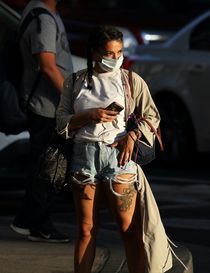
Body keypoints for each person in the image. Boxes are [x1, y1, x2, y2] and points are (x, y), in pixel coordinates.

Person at [56, 26, 176, 273]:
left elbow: (152, 116)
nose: (116, 58)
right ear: (95, 52)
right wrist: (89, 115)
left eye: (119, 52)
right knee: (86, 229)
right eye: (109, 53)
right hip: (83, 159)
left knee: (128, 229)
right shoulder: (76, 81)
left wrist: (133, 135)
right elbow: (60, 124)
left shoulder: (130, 80)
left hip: (119, 158)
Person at [10, 0, 73, 243]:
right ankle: (39, 225)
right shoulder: (43, 18)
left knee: (46, 167)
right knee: (48, 169)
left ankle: (27, 221)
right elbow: (47, 66)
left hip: (49, 105)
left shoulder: (46, 12)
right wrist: (70, 100)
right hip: (47, 107)